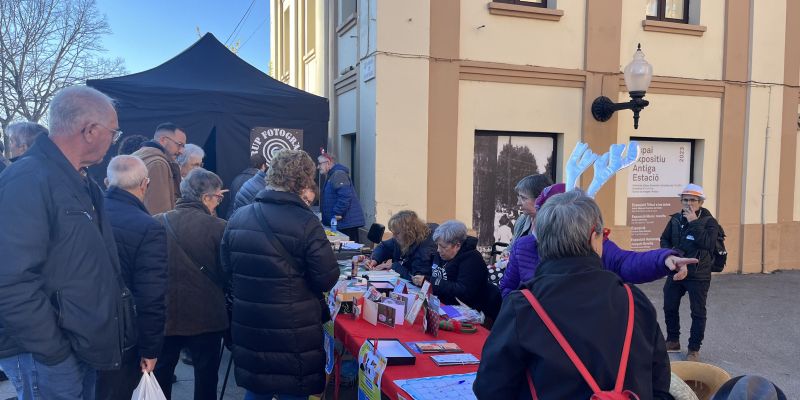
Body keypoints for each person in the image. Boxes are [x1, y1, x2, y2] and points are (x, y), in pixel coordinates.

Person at [474, 190, 673, 399]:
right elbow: (658, 384)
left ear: (541, 241)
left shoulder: (523, 305)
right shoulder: (634, 300)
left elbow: (490, 389)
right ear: (593, 237)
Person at [0, 86, 125, 399]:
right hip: (46, 354)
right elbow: (10, 279)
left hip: (75, 345)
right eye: (114, 132)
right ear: (90, 131)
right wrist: (53, 351)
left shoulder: (80, 180)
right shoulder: (28, 178)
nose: (114, 140)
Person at [221, 149, 339, 400]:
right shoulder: (307, 222)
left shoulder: (239, 217)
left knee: (257, 387)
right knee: (292, 390)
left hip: (250, 320)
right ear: (304, 181)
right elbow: (326, 278)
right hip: (293, 327)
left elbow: (227, 268)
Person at [499, 182, 696, 298]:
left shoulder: (598, 247)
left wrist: (663, 259)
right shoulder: (524, 246)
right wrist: (524, 305)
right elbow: (507, 287)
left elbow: (625, 262)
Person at [152, 168, 228, 400]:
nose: (219, 202)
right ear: (206, 198)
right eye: (218, 197)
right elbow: (227, 272)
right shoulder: (219, 228)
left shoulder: (156, 222)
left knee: (161, 375)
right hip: (207, 316)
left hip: (165, 315)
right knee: (206, 378)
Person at [96, 155, 168, 399]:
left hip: (84, 328)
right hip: (124, 338)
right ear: (145, 184)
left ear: (107, 182)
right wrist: (151, 349)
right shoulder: (149, 228)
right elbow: (151, 295)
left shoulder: (86, 215)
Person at [660, 183, 720, 362]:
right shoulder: (676, 219)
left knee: (697, 312)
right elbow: (664, 239)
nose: (688, 203)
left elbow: (708, 244)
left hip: (698, 274)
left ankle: (694, 349)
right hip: (677, 270)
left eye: (693, 200)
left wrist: (694, 222)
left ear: (700, 202)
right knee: (669, 306)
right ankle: (672, 341)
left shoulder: (709, 222)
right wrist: (671, 255)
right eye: (685, 200)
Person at [413, 220, 502, 322]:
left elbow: (463, 291)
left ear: (457, 245)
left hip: (470, 313)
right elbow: (436, 277)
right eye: (437, 245)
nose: (438, 250)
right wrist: (425, 279)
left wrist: (432, 282)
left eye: (442, 246)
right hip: (443, 308)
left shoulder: (472, 259)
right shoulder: (441, 254)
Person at [368, 210, 437, 282]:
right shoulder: (404, 238)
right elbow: (384, 246)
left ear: (410, 233)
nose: (394, 236)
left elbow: (416, 278)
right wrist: (375, 259)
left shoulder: (425, 249)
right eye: (393, 233)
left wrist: (394, 267)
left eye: (397, 233)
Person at [133, 122, 186, 215]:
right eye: (179, 144)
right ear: (163, 140)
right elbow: (159, 212)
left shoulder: (137, 157)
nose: (182, 151)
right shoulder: (158, 164)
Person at [318, 151, 365, 242]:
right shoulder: (333, 174)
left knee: (348, 251)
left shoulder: (338, 174)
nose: (318, 166)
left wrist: (337, 213)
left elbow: (345, 196)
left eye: (320, 164)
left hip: (346, 224)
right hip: (342, 223)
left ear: (328, 162)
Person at [511, 174, 553, 243]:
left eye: (523, 198)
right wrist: (506, 252)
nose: (518, 203)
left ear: (541, 198)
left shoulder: (554, 225)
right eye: (519, 198)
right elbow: (511, 246)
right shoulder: (522, 220)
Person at [225, 153, 267, 218]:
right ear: (263, 166)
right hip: (248, 220)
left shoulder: (237, 178)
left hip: (231, 218)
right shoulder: (262, 182)